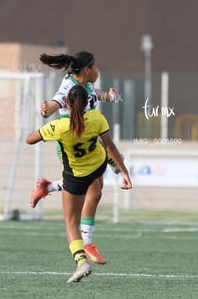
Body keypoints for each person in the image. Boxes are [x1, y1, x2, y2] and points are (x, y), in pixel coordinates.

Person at [26, 85, 132, 283]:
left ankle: (82, 261)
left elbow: (29, 139)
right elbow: (110, 145)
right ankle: (48, 188)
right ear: (87, 103)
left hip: (76, 176)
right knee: (101, 162)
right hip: (98, 166)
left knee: (71, 222)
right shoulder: (96, 118)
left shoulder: (60, 127)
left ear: (66, 103)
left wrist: (45, 127)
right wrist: (123, 172)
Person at [31, 50, 122, 265]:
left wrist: (108, 97)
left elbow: (93, 93)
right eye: (96, 66)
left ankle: (49, 187)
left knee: (96, 192)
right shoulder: (68, 87)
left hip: (88, 144)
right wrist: (46, 111)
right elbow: (55, 104)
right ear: (87, 69)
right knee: (92, 190)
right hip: (73, 148)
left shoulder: (84, 83)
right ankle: (87, 244)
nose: (99, 70)